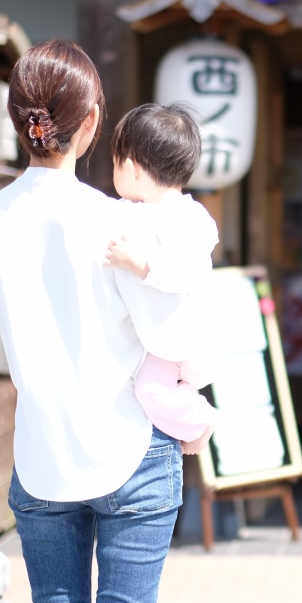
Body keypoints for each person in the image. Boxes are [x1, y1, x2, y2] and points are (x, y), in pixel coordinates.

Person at [0, 39, 187, 603]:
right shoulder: (121, 221)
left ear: (20, 121)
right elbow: (168, 334)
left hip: (42, 450)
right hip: (130, 445)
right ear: (91, 122)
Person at [103, 103, 220, 456]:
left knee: (151, 392)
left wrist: (139, 264)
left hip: (180, 335)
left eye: (113, 163)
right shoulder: (138, 213)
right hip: (164, 335)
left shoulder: (189, 217)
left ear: (129, 167)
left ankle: (201, 420)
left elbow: (184, 271)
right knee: (156, 388)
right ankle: (191, 414)